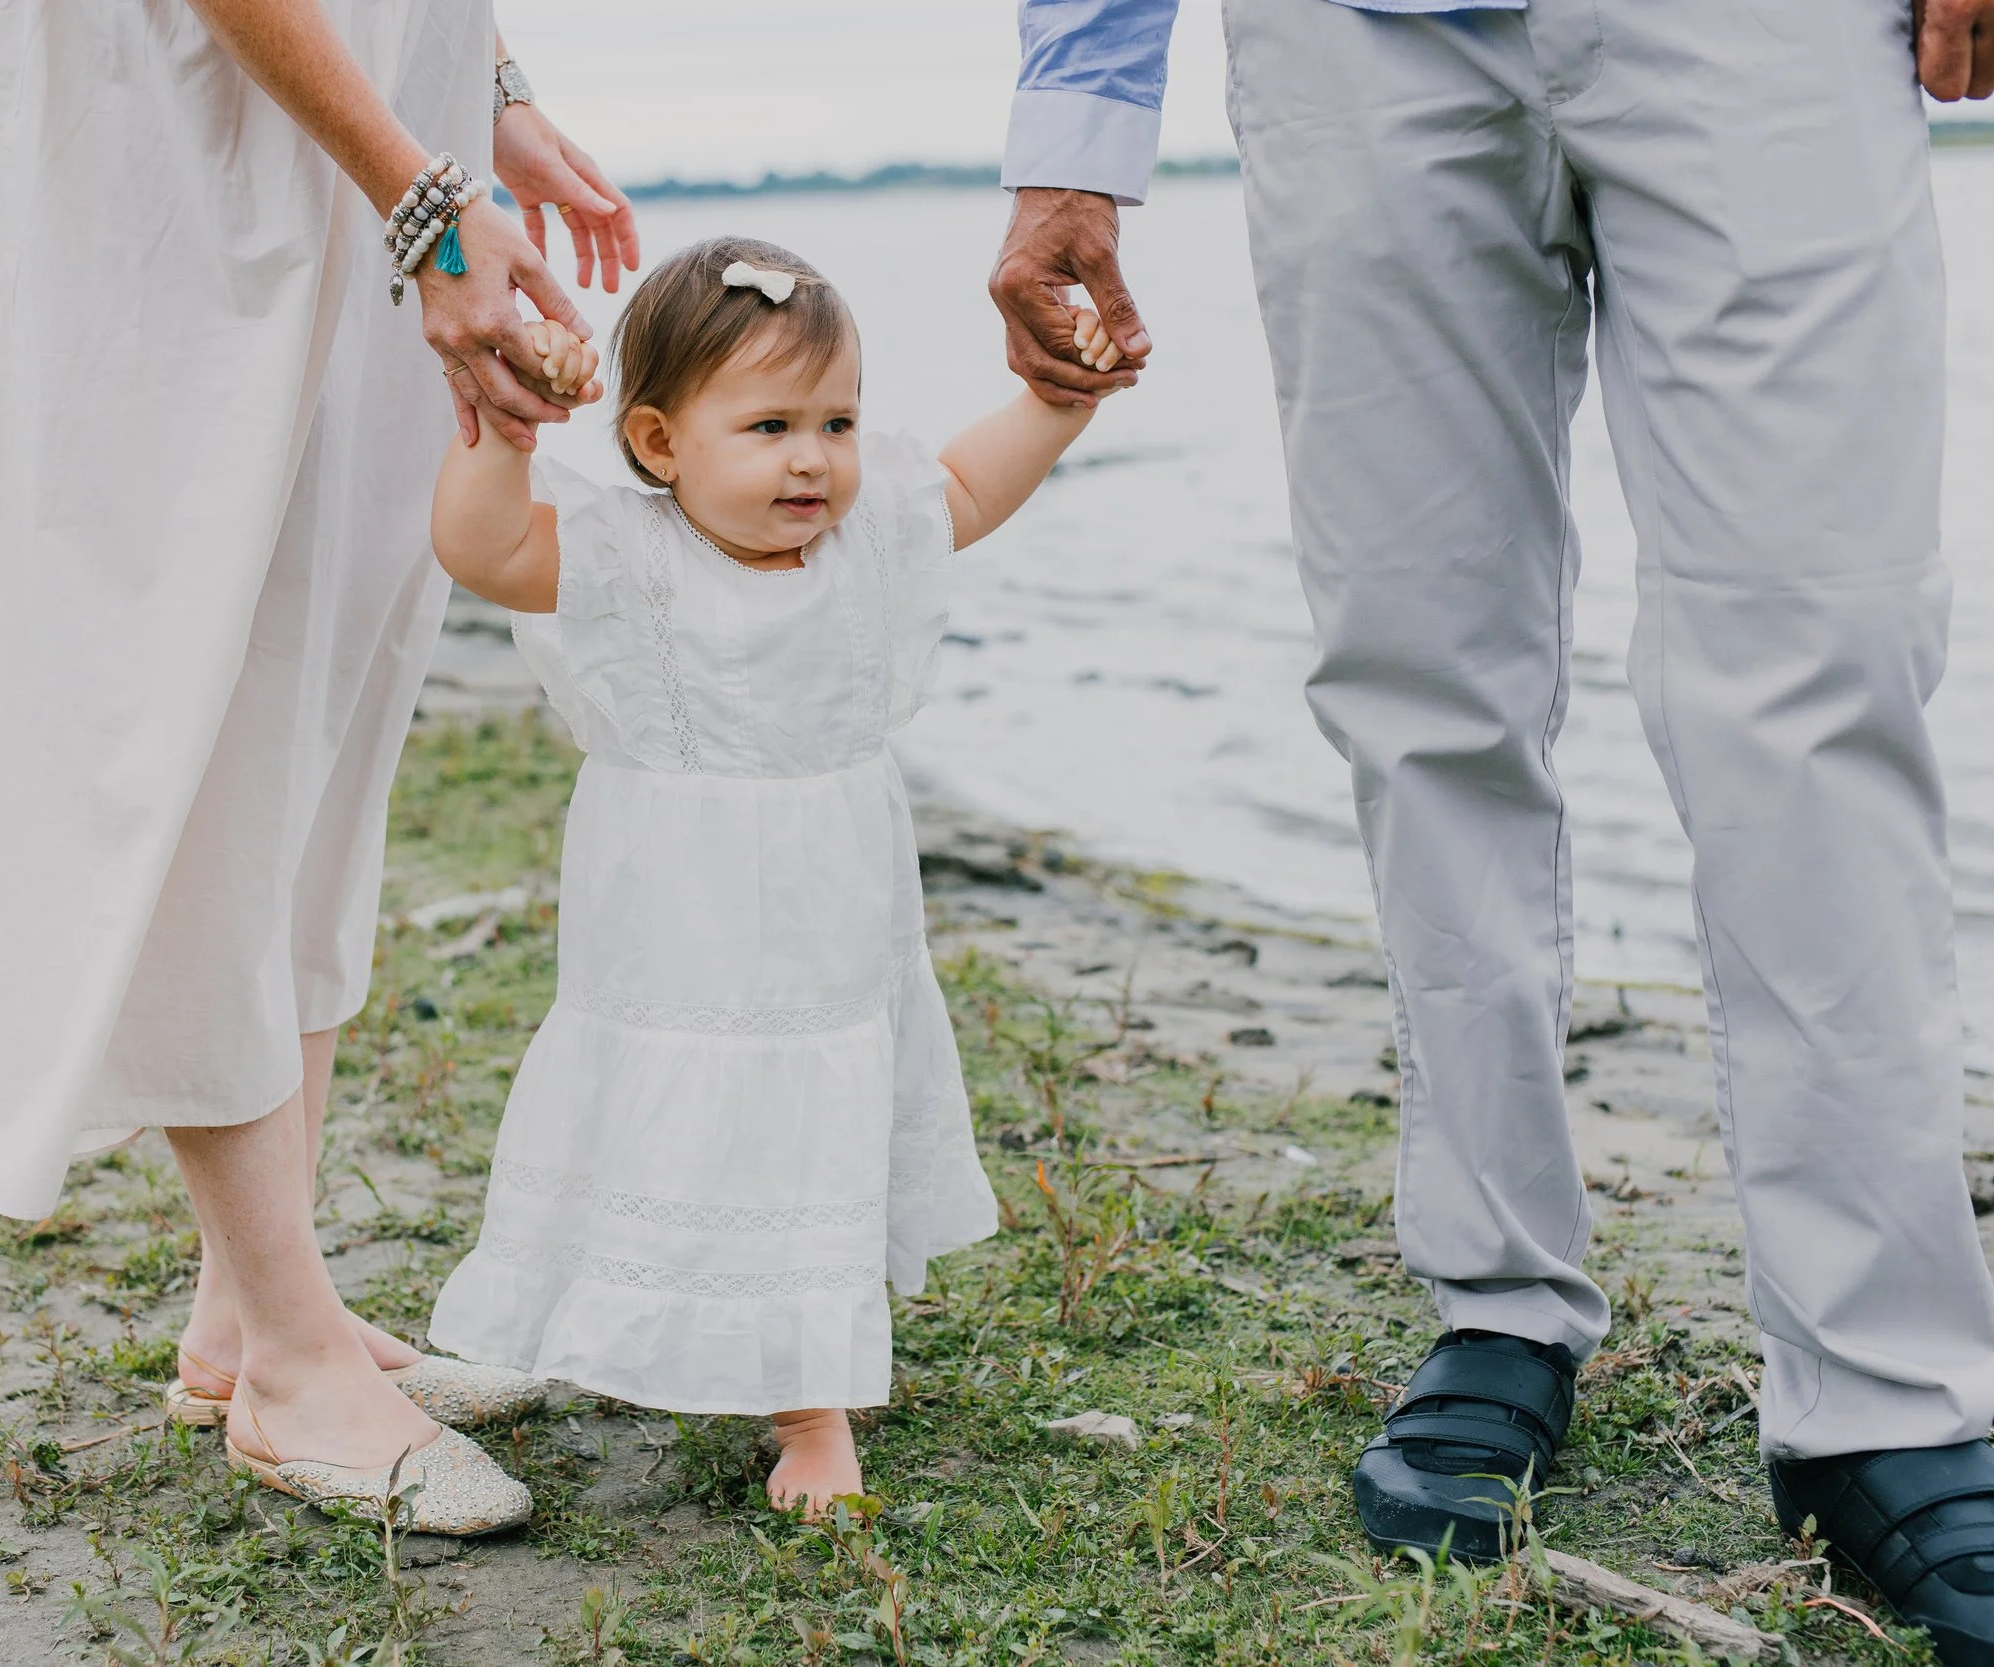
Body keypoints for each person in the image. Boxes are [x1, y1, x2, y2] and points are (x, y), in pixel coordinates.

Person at [989, 0, 1994, 1656]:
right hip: (1358, 40)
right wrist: (1074, 126)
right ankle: (1500, 1295)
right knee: (1421, 665)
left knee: (1825, 659)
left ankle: (1885, 1379)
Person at [0, 0, 639, 1537]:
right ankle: (287, 1350)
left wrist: (484, 86)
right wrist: (423, 194)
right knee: (212, 697)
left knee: (327, 699)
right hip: (196, 152)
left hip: (370, 130)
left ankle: (245, 1307)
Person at [417, 237, 1125, 1512]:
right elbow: (482, 549)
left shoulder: (865, 544)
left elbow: (967, 483)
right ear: (658, 442)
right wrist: (509, 429)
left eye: (836, 422)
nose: (813, 459)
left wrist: (1056, 401)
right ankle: (632, 1316)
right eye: (769, 427)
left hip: (828, 923)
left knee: (805, 1134)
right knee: (672, 1118)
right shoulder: (625, 559)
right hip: (673, 921)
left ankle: (810, 1404)